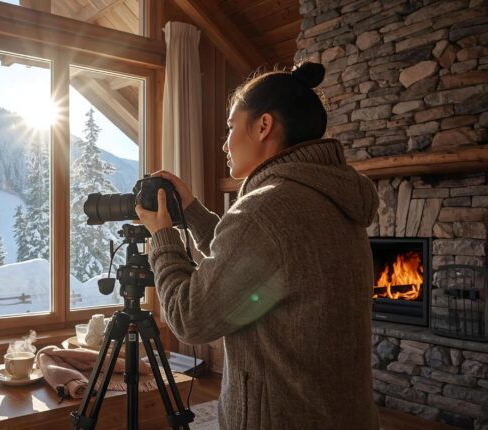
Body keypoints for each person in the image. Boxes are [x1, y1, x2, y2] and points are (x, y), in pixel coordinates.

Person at [135, 61, 380, 429]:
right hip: (342, 412)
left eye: (231, 127)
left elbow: (189, 318)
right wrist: (192, 212)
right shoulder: (329, 196)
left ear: (263, 125)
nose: (225, 143)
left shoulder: (266, 208)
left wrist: (163, 237)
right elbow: (256, 260)